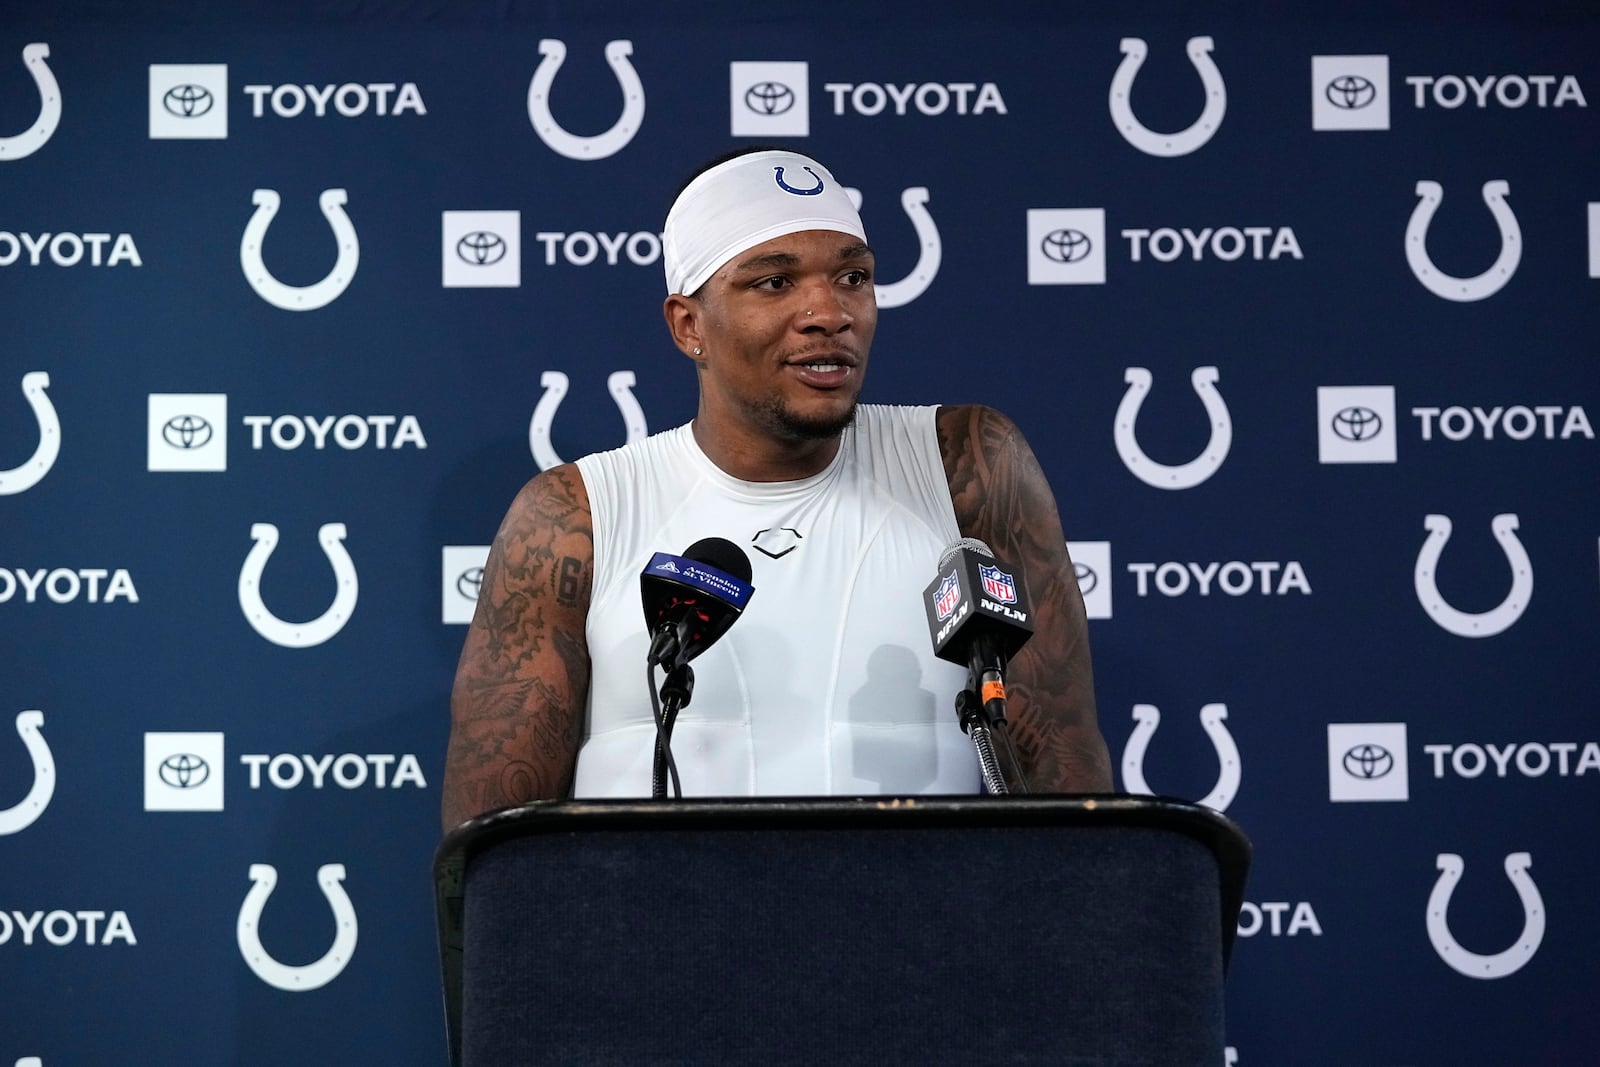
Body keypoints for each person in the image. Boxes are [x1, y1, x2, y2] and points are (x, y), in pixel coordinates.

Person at [441, 147, 1110, 830]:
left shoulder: (968, 463)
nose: (829, 311)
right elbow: (494, 860)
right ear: (688, 325)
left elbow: (1067, 787)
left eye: (853, 276)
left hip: (937, 934)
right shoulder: (573, 515)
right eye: (775, 283)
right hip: (660, 937)